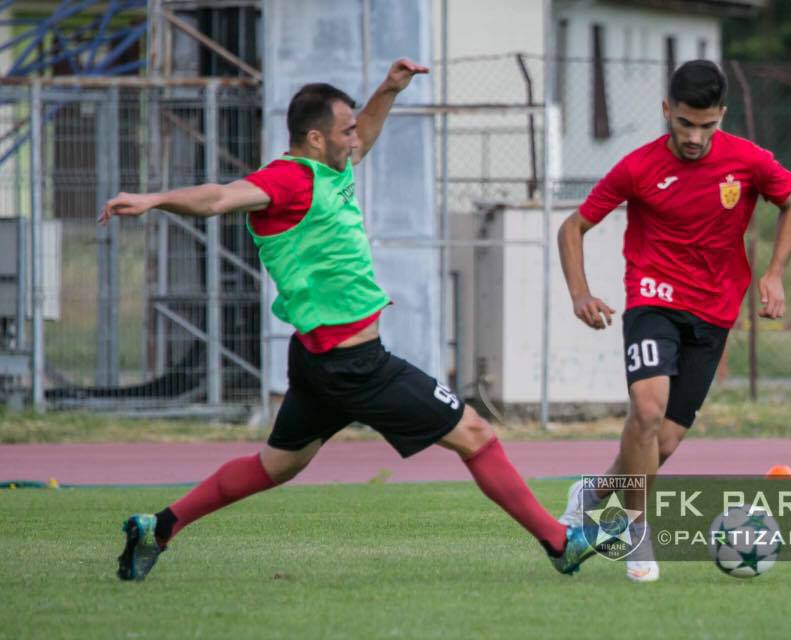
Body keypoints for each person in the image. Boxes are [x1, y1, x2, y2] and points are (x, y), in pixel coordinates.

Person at [101, 59, 595, 581]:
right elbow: (222, 197)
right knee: (475, 434)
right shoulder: (288, 180)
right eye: (345, 131)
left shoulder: (330, 169)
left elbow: (369, 133)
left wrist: (388, 90)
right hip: (355, 366)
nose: (356, 138)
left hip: (320, 363)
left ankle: (158, 527)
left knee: (278, 465)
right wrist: (155, 199)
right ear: (315, 138)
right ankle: (561, 542)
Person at [556, 60, 791, 582]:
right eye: (685, 123)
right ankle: (636, 531)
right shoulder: (638, 167)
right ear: (667, 111)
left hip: (714, 311)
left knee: (661, 444)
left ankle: (594, 492)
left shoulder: (748, 161)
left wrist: (776, 273)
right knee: (646, 413)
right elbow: (573, 226)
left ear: (722, 116)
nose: (695, 137)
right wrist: (580, 293)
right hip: (652, 298)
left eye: (707, 126)